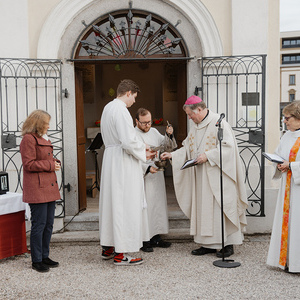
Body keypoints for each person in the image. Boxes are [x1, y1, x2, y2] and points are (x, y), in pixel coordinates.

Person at [161, 95, 248, 257]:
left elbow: (229, 149)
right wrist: (172, 155)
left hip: (217, 175)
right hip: (200, 178)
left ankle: (227, 244)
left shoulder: (219, 123)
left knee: (220, 208)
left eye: (190, 114)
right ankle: (207, 244)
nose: (189, 118)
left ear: (199, 109)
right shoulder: (196, 126)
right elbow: (187, 148)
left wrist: (208, 156)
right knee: (203, 209)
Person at [99, 79, 155, 266]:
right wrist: (144, 148)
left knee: (111, 204)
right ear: (128, 93)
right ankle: (121, 254)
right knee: (124, 204)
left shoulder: (108, 108)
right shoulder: (121, 110)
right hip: (122, 161)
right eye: (134, 98)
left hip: (111, 158)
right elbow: (128, 141)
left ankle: (108, 246)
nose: (134, 102)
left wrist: (139, 146)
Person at [20, 110, 61, 273]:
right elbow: (28, 164)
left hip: (48, 186)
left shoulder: (43, 138)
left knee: (49, 224)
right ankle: (36, 260)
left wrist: (55, 161)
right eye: (46, 123)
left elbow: (45, 158)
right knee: (39, 225)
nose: (49, 126)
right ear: (38, 123)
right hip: (37, 188)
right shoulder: (28, 139)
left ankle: (44, 256)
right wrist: (51, 165)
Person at [135, 108, 177, 252]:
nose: (147, 125)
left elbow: (165, 145)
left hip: (157, 173)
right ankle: (144, 240)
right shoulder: (133, 135)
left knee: (157, 206)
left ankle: (156, 237)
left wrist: (168, 135)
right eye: (144, 123)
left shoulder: (153, 131)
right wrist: (146, 168)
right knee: (145, 208)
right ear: (136, 121)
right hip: (143, 175)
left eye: (149, 122)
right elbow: (132, 157)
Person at [267, 101, 300, 273]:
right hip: (287, 188)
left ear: (298, 118)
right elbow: (279, 153)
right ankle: (287, 261)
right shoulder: (287, 135)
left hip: (298, 189)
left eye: (287, 118)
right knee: (288, 224)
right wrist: (278, 163)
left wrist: (292, 166)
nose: (285, 121)